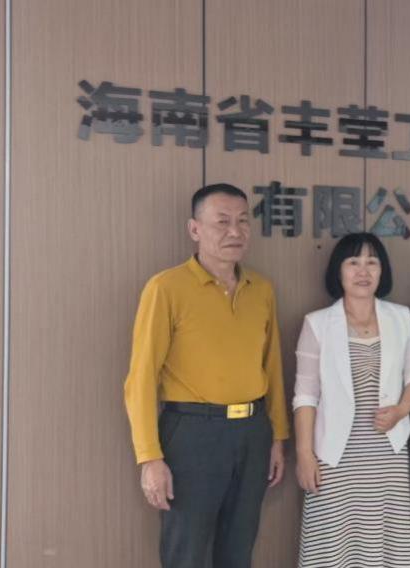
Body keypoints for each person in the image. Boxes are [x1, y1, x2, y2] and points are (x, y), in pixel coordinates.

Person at [122, 183, 289, 568]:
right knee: (188, 551)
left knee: (239, 548)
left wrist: (277, 437)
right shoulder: (166, 287)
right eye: (222, 222)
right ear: (194, 229)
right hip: (192, 433)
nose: (235, 231)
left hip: (252, 432)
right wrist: (149, 457)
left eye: (243, 221)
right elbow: (141, 378)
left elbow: (272, 367)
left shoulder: (261, 289)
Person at [292, 233, 410, 567]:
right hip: (334, 456)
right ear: (338, 272)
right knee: (332, 548)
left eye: (372, 262)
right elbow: (306, 395)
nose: (363, 271)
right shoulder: (318, 323)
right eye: (353, 262)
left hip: (386, 454)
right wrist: (304, 454)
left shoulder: (400, 317)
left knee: (383, 546)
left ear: (383, 271)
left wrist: (402, 410)